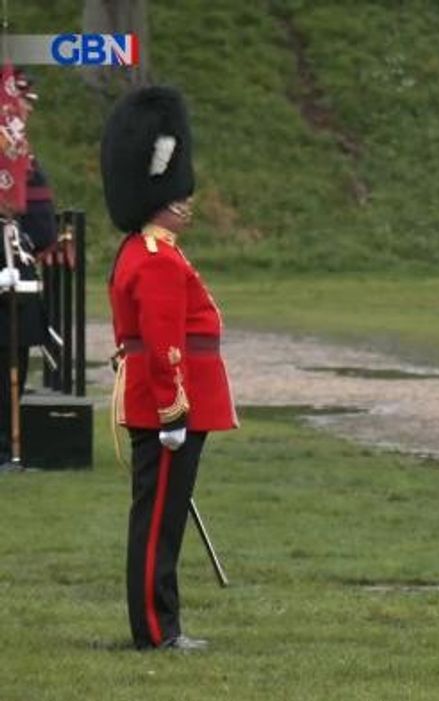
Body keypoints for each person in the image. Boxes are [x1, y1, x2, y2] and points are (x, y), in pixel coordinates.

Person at [102, 86, 237, 651]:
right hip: (169, 404)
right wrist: (173, 408)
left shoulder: (150, 251)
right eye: (179, 192)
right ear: (163, 196)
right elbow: (163, 343)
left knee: (161, 518)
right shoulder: (155, 259)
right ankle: (158, 630)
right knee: (159, 522)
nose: (187, 201)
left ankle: (160, 624)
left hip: (164, 401)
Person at [0, 70, 55, 467]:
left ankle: (8, 444)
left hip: (13, 277)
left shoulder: (29, 169)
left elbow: (43, 230)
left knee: (11, 366)